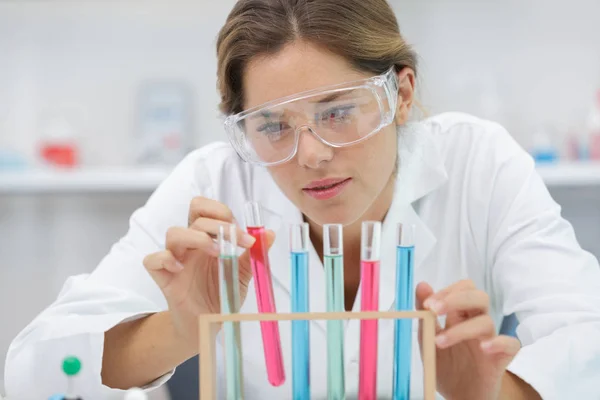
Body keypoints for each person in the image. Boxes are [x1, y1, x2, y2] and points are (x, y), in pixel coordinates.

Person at [5, 0, 600, 399]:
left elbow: (588, 337)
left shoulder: (479, 163)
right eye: (271, 125)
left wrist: (492, 393)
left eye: (337, 112)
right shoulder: (215, 185)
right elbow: (33, 371)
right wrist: (183, 327)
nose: (309, 153)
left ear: (400, 92)